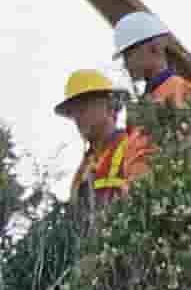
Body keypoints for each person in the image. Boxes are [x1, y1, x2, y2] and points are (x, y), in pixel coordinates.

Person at [54, 70, 155, 210]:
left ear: (110, 105)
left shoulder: (133, 145)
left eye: (83, 107)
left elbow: (144, 200)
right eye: (73, 111)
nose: (77, 116)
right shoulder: (83, 169)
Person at [112, 11, 191, 111]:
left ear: (154, 47)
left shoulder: (182, 90)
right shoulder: (145, 101)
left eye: (128, 54)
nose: (125, 63)